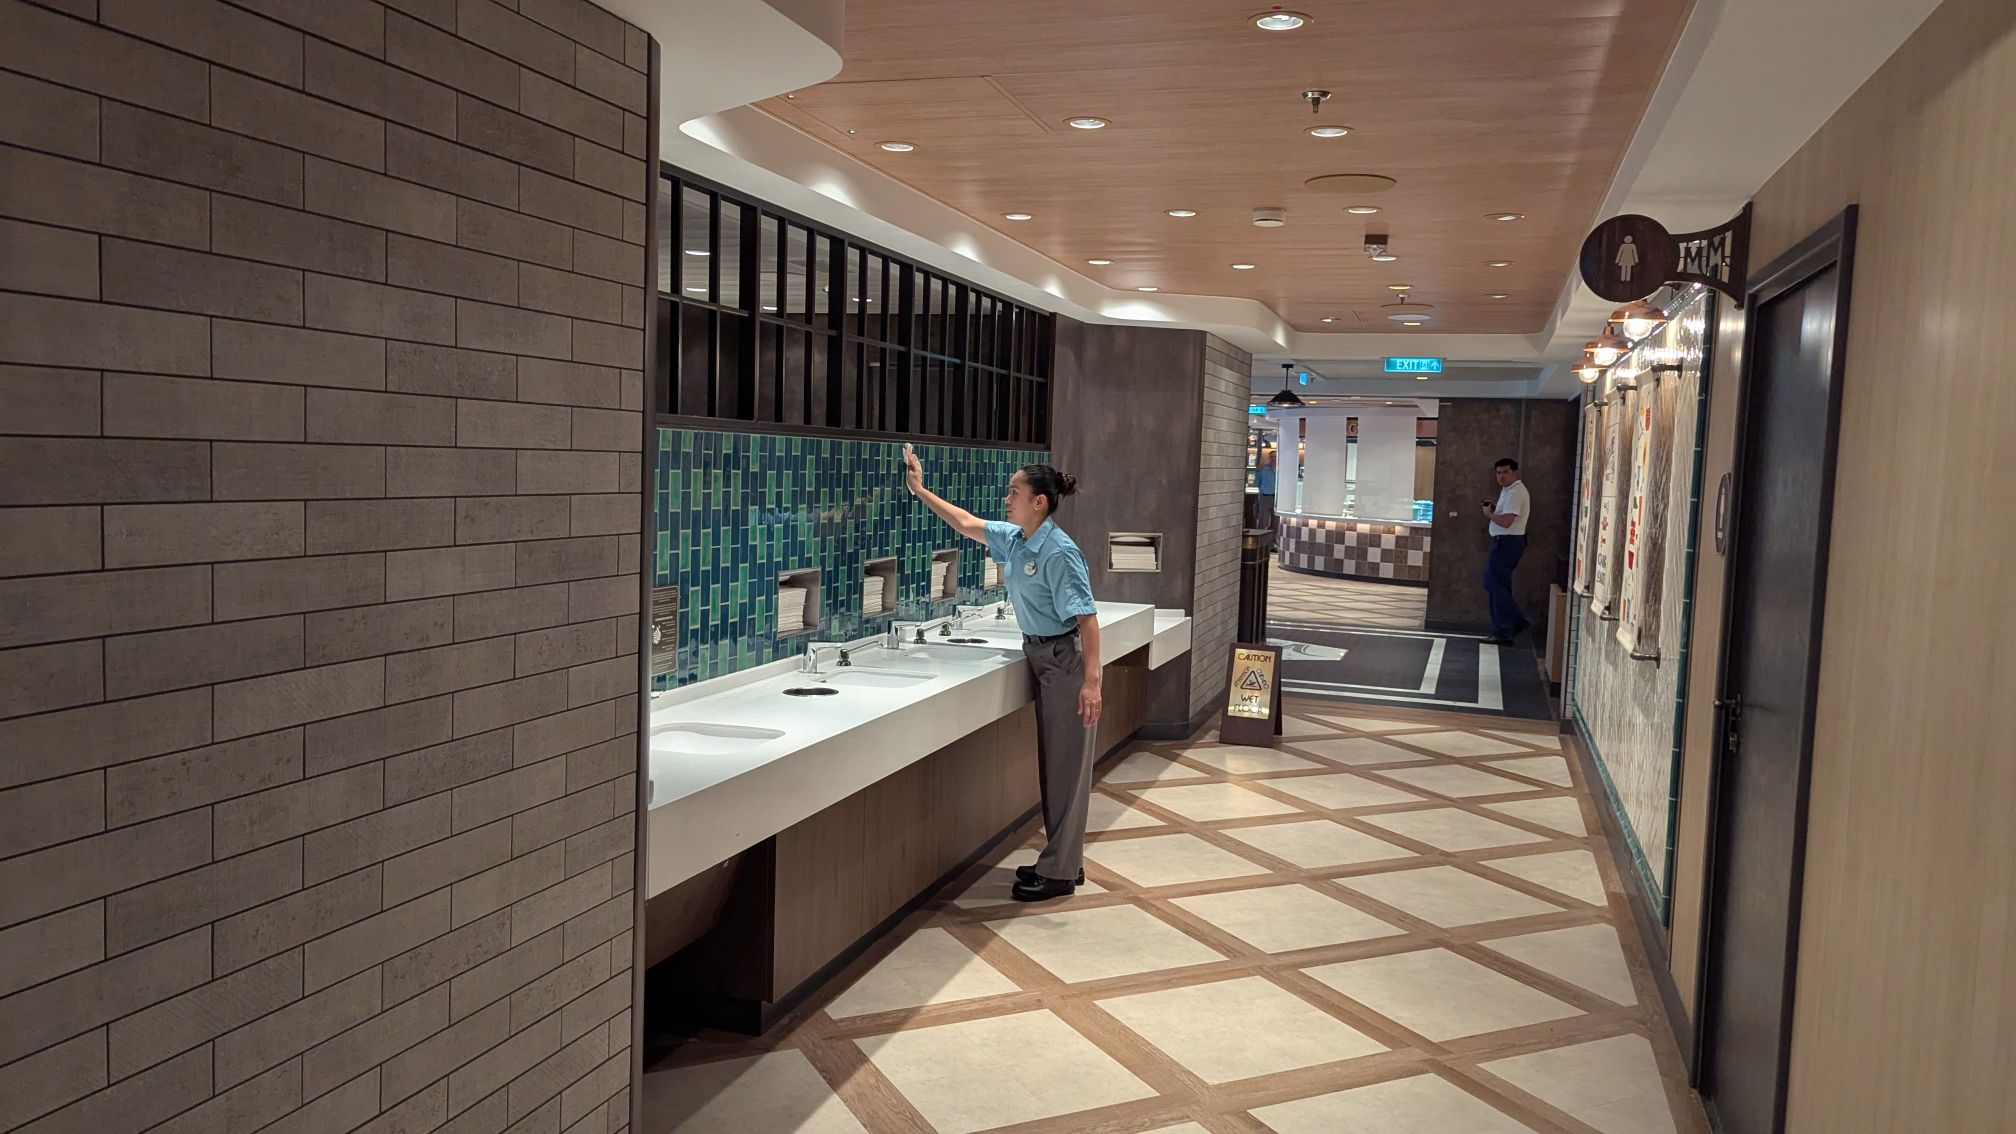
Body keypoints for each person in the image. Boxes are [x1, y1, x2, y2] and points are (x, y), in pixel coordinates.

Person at [905, 452, 1102, 902]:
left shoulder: (1059, 551)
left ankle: (1059, 872)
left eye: (1015, 492)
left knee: (1066, 768)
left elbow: (1088, 620)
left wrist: (1091, 683)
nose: (1007, 499)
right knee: (1054, 765)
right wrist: (919, 490)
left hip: (1065, 661)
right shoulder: (1016, 540)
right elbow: (964, 523)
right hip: (1040, 655)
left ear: (1039, 502)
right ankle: (1064, 863)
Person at [1480, 457, 1532, 646]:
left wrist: (1489, 514)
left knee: (1493, 583)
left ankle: (1513, 623)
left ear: (1515, 473)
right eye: (1498, 472)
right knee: (1496, 584)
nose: (1501, 476)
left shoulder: (1515, 492)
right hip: (1506, 542)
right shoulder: (1508, 490)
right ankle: (1507, 629)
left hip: (1507, 543)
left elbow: (1507, 522)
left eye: (1505, 472)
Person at [1253, 447, 1277, 530]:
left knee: (1276, 519)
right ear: (1269, 458)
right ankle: (1260, 535)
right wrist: (1262, 490)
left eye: (1275, 457)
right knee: (1263, 518)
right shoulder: (1264, 469)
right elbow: (1257, 482)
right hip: (1265, 496)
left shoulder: (1281, 470)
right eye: (1271, 457)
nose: (1273, 459)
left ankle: (1274, 536)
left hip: (1278, 497)